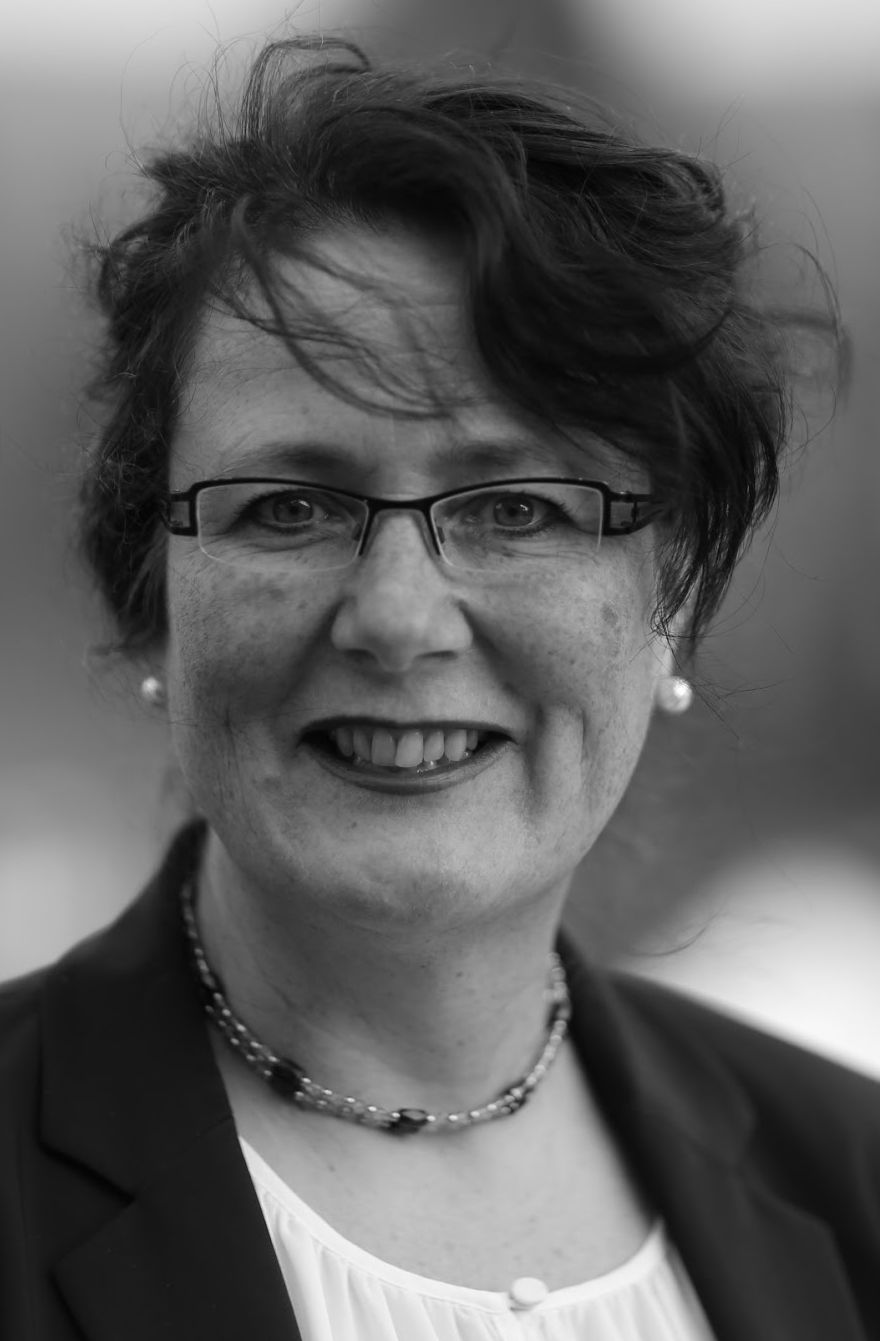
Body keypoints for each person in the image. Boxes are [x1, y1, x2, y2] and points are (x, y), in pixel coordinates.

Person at [1, 33, 876, 1341]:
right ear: (154, 597)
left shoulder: (855, 1184)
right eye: (289, 507)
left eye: (518, 507)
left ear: (676, 600)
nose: (398, 619)